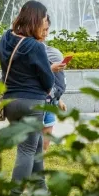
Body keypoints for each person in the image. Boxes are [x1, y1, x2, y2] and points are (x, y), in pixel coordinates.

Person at [0, 1, 65, 188]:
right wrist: (51, 70)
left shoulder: (5, 39)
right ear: (35, 19)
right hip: (31, 104)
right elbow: (48, 81)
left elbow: (13, 69)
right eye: (43, 18)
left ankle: (41, 191)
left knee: (34, 148)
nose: (45, 22)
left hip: (10, 102)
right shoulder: (36, 47)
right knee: (26, 150)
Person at [42, 24, 67, 152]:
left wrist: (59, 100)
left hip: (51, 103)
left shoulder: (50, 51)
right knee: (33, 143)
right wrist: (50, 68)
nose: (46, 33)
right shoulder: (33, 53)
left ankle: (40, 166)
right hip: (37, 103)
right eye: (43, 30)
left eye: (47, 30)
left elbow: (54, 82)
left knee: (45, 143)